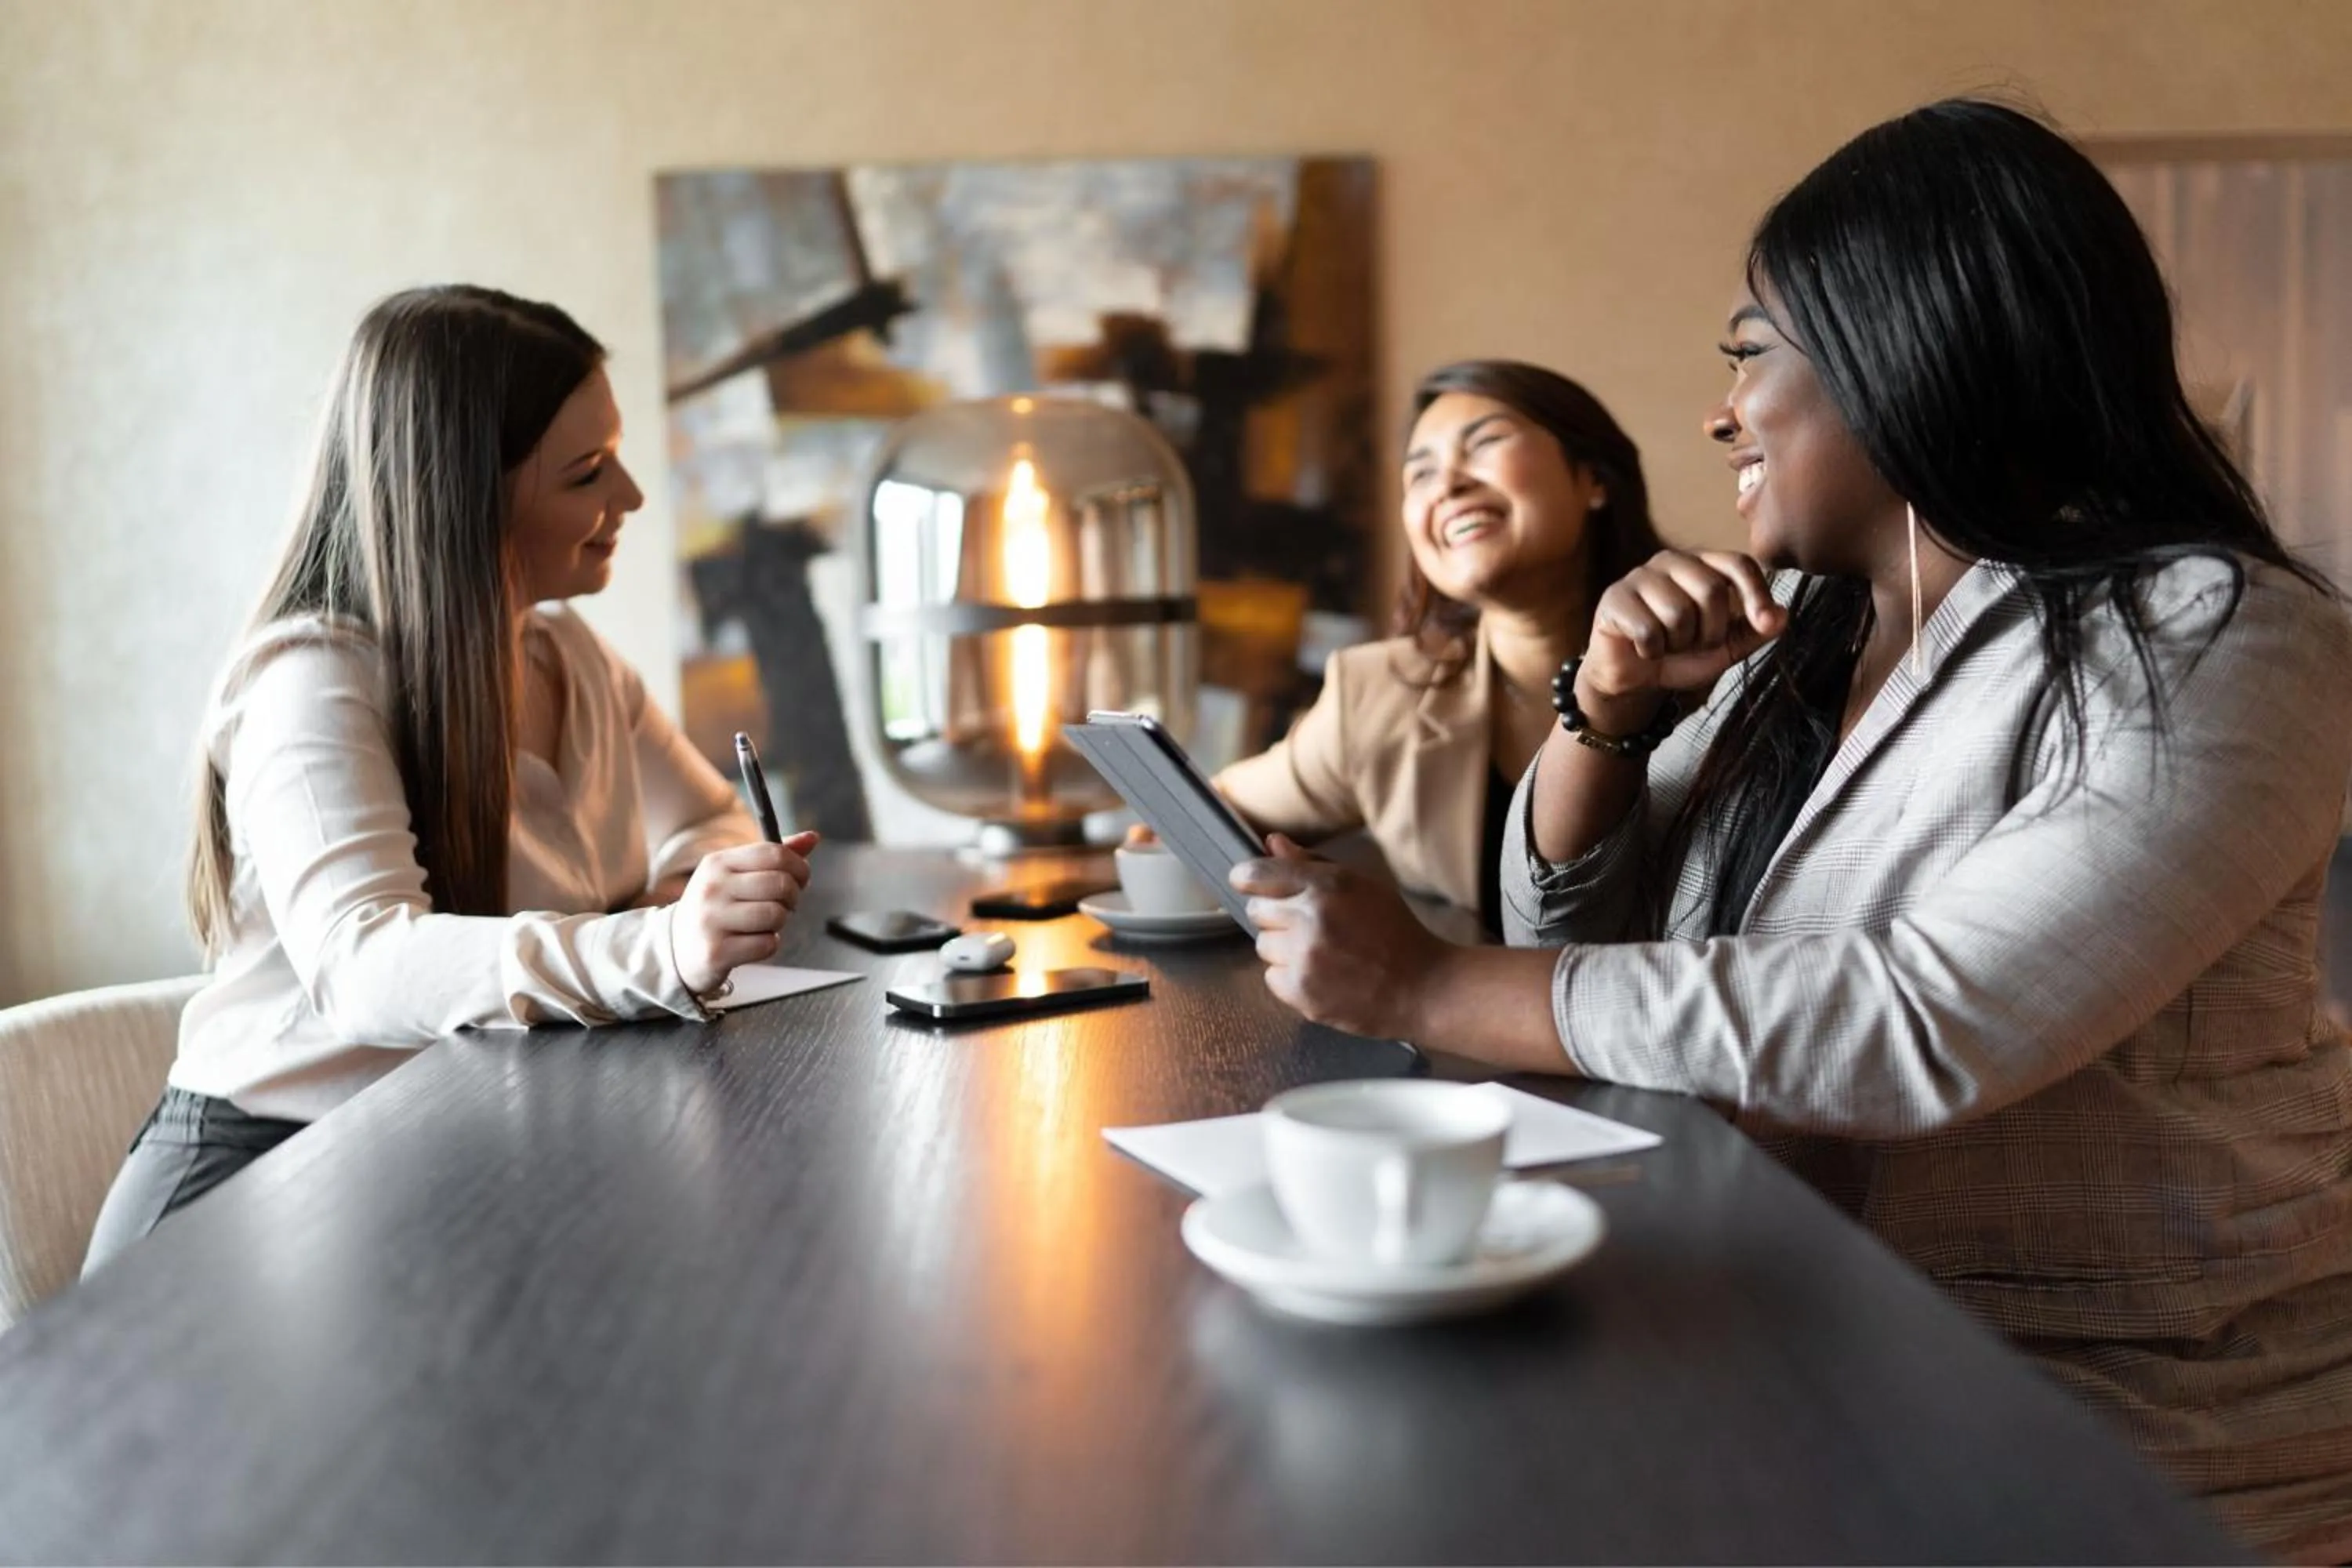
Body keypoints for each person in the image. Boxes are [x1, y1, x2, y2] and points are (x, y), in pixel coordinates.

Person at [1233, 100, 2352, 1559]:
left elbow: (1927, 1019)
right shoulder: (1800, 640)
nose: (1720, 413)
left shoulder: (2221, 636)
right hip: (1796, 1339)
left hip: (2123, 1435)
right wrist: (1604, 713)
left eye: (1749, 353)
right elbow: (1576, 935)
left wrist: (1426, 988)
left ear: (1909, 345)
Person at [83, 286, 814, 1270]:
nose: (633, 496)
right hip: (257, 1193)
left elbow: (715, 818)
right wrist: (657, 945)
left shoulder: (571, 657)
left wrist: (686, 899)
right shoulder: (309, 680)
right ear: (466, 497)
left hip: (445, 1149)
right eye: (588, 471)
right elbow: (365, 962)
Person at [1207, 361, 1666, 932]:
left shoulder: (1713, 662)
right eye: (1421, 474)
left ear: (1593, 478)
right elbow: (1212, 808)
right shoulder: (1379, 694)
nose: (1448, 484)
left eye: (1487, 442)